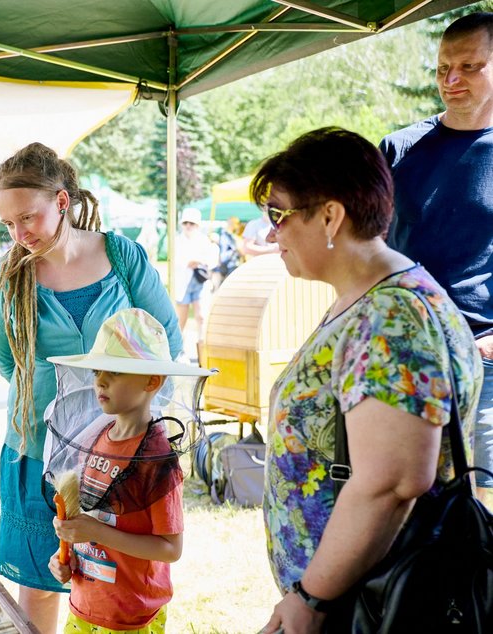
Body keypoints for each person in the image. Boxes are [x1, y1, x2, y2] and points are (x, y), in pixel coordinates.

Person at [253, 127, 482, 634]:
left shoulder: (390, 317)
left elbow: (392, 481)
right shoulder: (370, 301)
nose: (271, 234)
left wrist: (312, 597)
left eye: (279, 215)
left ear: (330, 216)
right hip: (355, 595)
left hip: (369, 603)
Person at [0, 142, 181, 633]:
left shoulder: (121, 256)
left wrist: (124, 425)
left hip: (120, 455)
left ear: (63, 202)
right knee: (43, 577)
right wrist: (61, 412)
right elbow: (11, 365)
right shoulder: (4, 277)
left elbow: (165, 340)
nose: (18, 233)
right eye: (7, 224)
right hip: (35, 448)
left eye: (27, 218)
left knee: (112, 578)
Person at [380, 11, 493, 511]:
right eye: (443, 66)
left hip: (485, 361)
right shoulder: (398, 149)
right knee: (404, 500)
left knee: (482, 502)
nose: (451, 80)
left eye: (469, 66)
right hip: (405, 351)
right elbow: (366, 250)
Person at [46, 308, 208, 634]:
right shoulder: (95, 441)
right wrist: (67, 552)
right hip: (85, 606)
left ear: (152, 380)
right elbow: (94, 519)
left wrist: (96, 533)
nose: (101, 381)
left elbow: (170, 548)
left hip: (130, 617)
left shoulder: (158, 462)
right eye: (96, 372)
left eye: (115, 372)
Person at [171, 207, 219, 337]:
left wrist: (199, 261)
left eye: (191, 223)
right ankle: (180, 351)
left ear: (197, 225)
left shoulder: (204, 240)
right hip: (183, 284)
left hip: (201, 282)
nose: (188, 226)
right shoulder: (176, 240)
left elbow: (213, 259)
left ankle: (202, 350)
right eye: (185, 223)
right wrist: (194, 261)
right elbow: (177, 260)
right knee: (181, 320)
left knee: (202, 316)